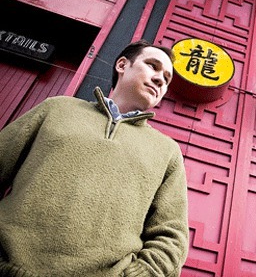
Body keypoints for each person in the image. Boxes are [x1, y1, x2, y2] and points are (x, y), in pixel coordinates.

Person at [0, 40, 189, 276]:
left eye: (167, 79)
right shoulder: (57, 109)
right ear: (122, 65)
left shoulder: (167, 151)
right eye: (152, 66)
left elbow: (172, 233)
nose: (161, 80)